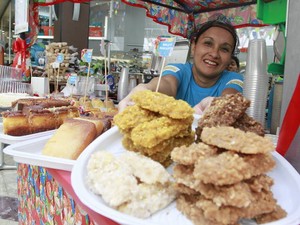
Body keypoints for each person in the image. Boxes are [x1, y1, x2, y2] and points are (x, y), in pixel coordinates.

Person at [118, 20, 244, 114]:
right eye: (208, 43)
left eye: (224, 49)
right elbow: (167, 82)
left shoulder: (234, 79)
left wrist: (220, 105)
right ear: (194, 47)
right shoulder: (178, 70)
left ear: (230, 57)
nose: (214, 54)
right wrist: (146, 89)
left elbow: (230, 97)